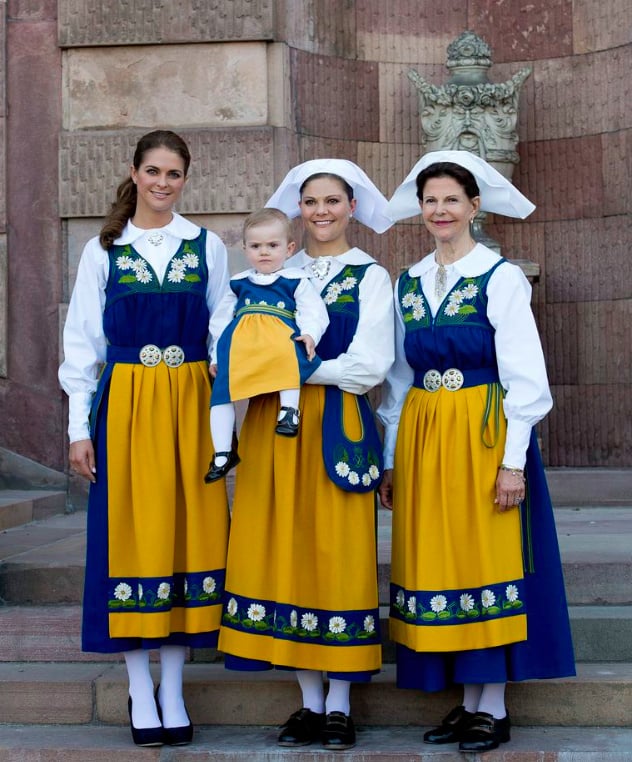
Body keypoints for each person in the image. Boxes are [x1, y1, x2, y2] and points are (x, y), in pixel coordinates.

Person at [377, 150, 575, 752]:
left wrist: (513, 460)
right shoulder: (407, 282)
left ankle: (493, 704)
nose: (440, 210)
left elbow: (526, 379)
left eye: (452, 200)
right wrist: (390, 456)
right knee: (441, 560)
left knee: (485, 559)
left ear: (474, 206)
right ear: (421, 209)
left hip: (484, 434)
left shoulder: (499, 276)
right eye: (431, 200)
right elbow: (398, 379)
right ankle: (466, 701)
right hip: (425, 434)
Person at [58, 130, 231, 748]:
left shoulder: (206, 245)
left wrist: (221, 396)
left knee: (188, 530)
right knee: (131, 533)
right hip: (127, 402)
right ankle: (138, 686)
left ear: (187, 179)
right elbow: (82, 343)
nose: (162, 182)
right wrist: (80, 427)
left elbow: (222, 323)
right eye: (153, 171)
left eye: (174, 173)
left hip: (188, 401)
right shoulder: (103, 250)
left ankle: (174, 688)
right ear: (133, 173)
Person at [217, 159, 394, 751]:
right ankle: (308, 700)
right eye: (311, 201)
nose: (322, 211)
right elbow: (234, 345)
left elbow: (371, 364)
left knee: (337, 548)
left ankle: (340, 700)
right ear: (299, 211)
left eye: (333, 201)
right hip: (273, 422)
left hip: (336, 419)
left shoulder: (369, 275)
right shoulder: (271, 270)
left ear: (351, 207)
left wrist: (295, 367)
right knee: (282, 547)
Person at [204, 207, 329, 483]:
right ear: (245, 248)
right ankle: (223, 451)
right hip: (241, 344)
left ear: (289, 248)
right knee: (222, 391)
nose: (264, 252)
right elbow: (221, 320)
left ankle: (289, 412)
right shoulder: (238, 283)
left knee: (289, 353)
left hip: (278, 339)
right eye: (256, 246)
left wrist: (309, 334)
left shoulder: (295, 280)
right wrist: (216, 354)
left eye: (272, 245)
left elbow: (313, 311)